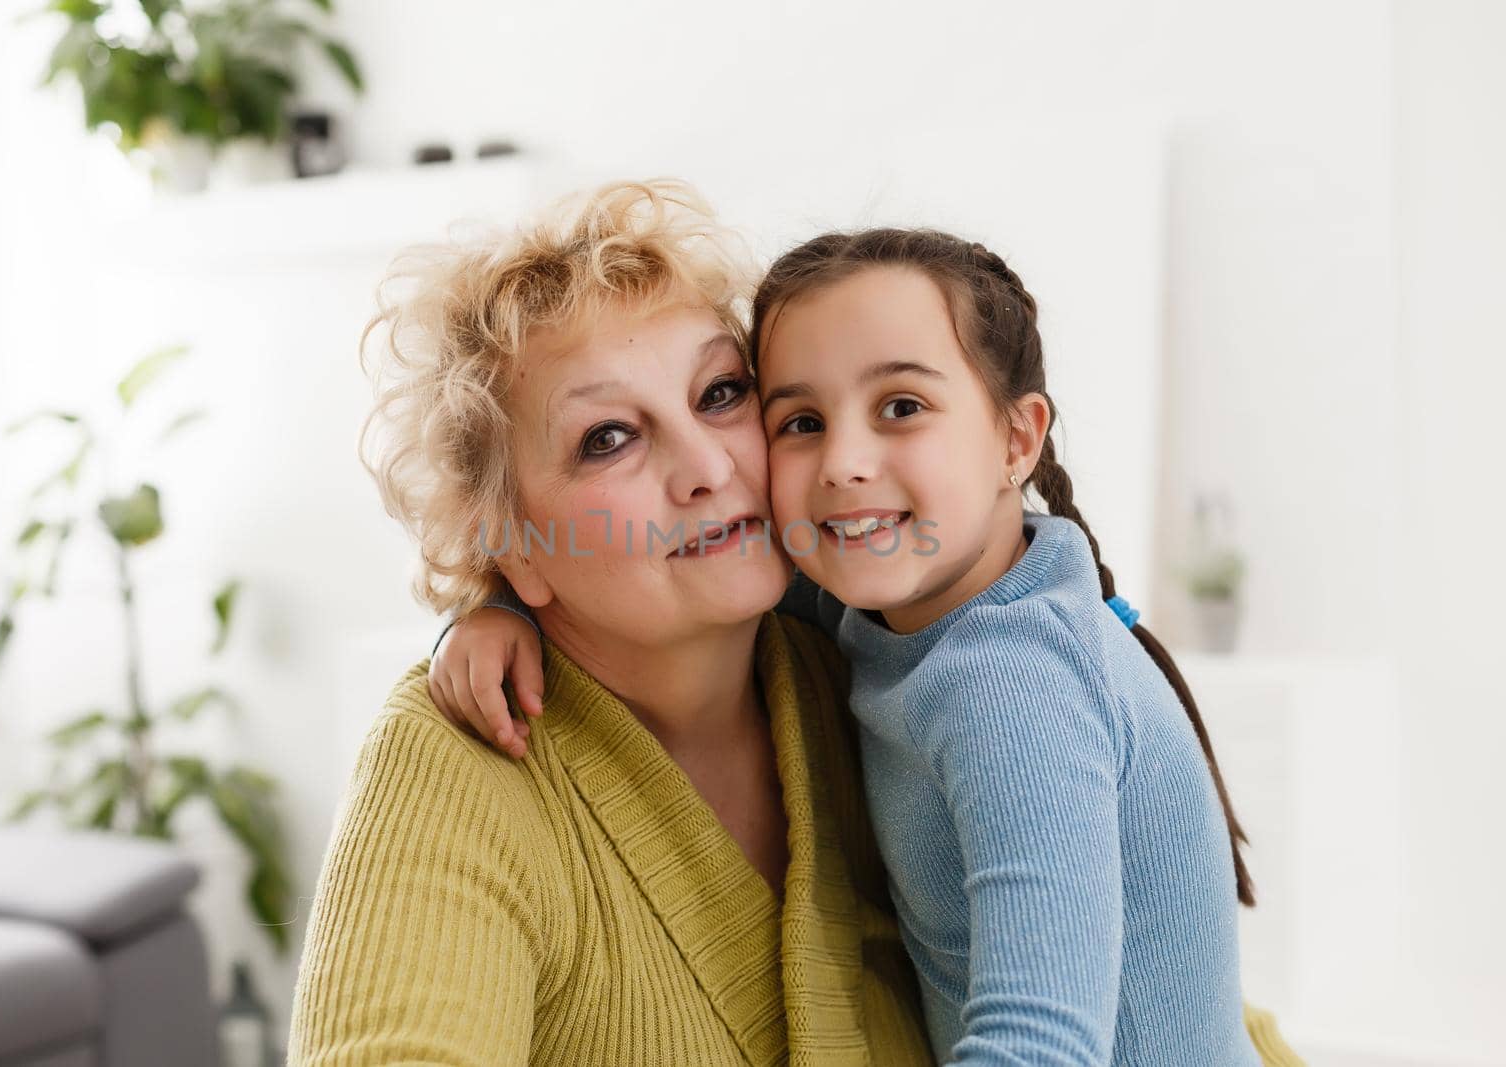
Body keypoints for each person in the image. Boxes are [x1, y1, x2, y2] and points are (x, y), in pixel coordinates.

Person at [432, 226, 1308, 1065]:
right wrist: (502, 599)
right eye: (801, 421)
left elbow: (1041, 1044)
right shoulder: (894, 601)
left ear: (1016, 438)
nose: (845, 461)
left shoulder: (1008, 686)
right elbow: (696, 573)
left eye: (901, 406)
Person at [288, 180, 935, 1066]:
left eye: (720, 392)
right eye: (608, 438)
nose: (709, 465)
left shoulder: (869, 670)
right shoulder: (453, 763)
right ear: (512, 545)